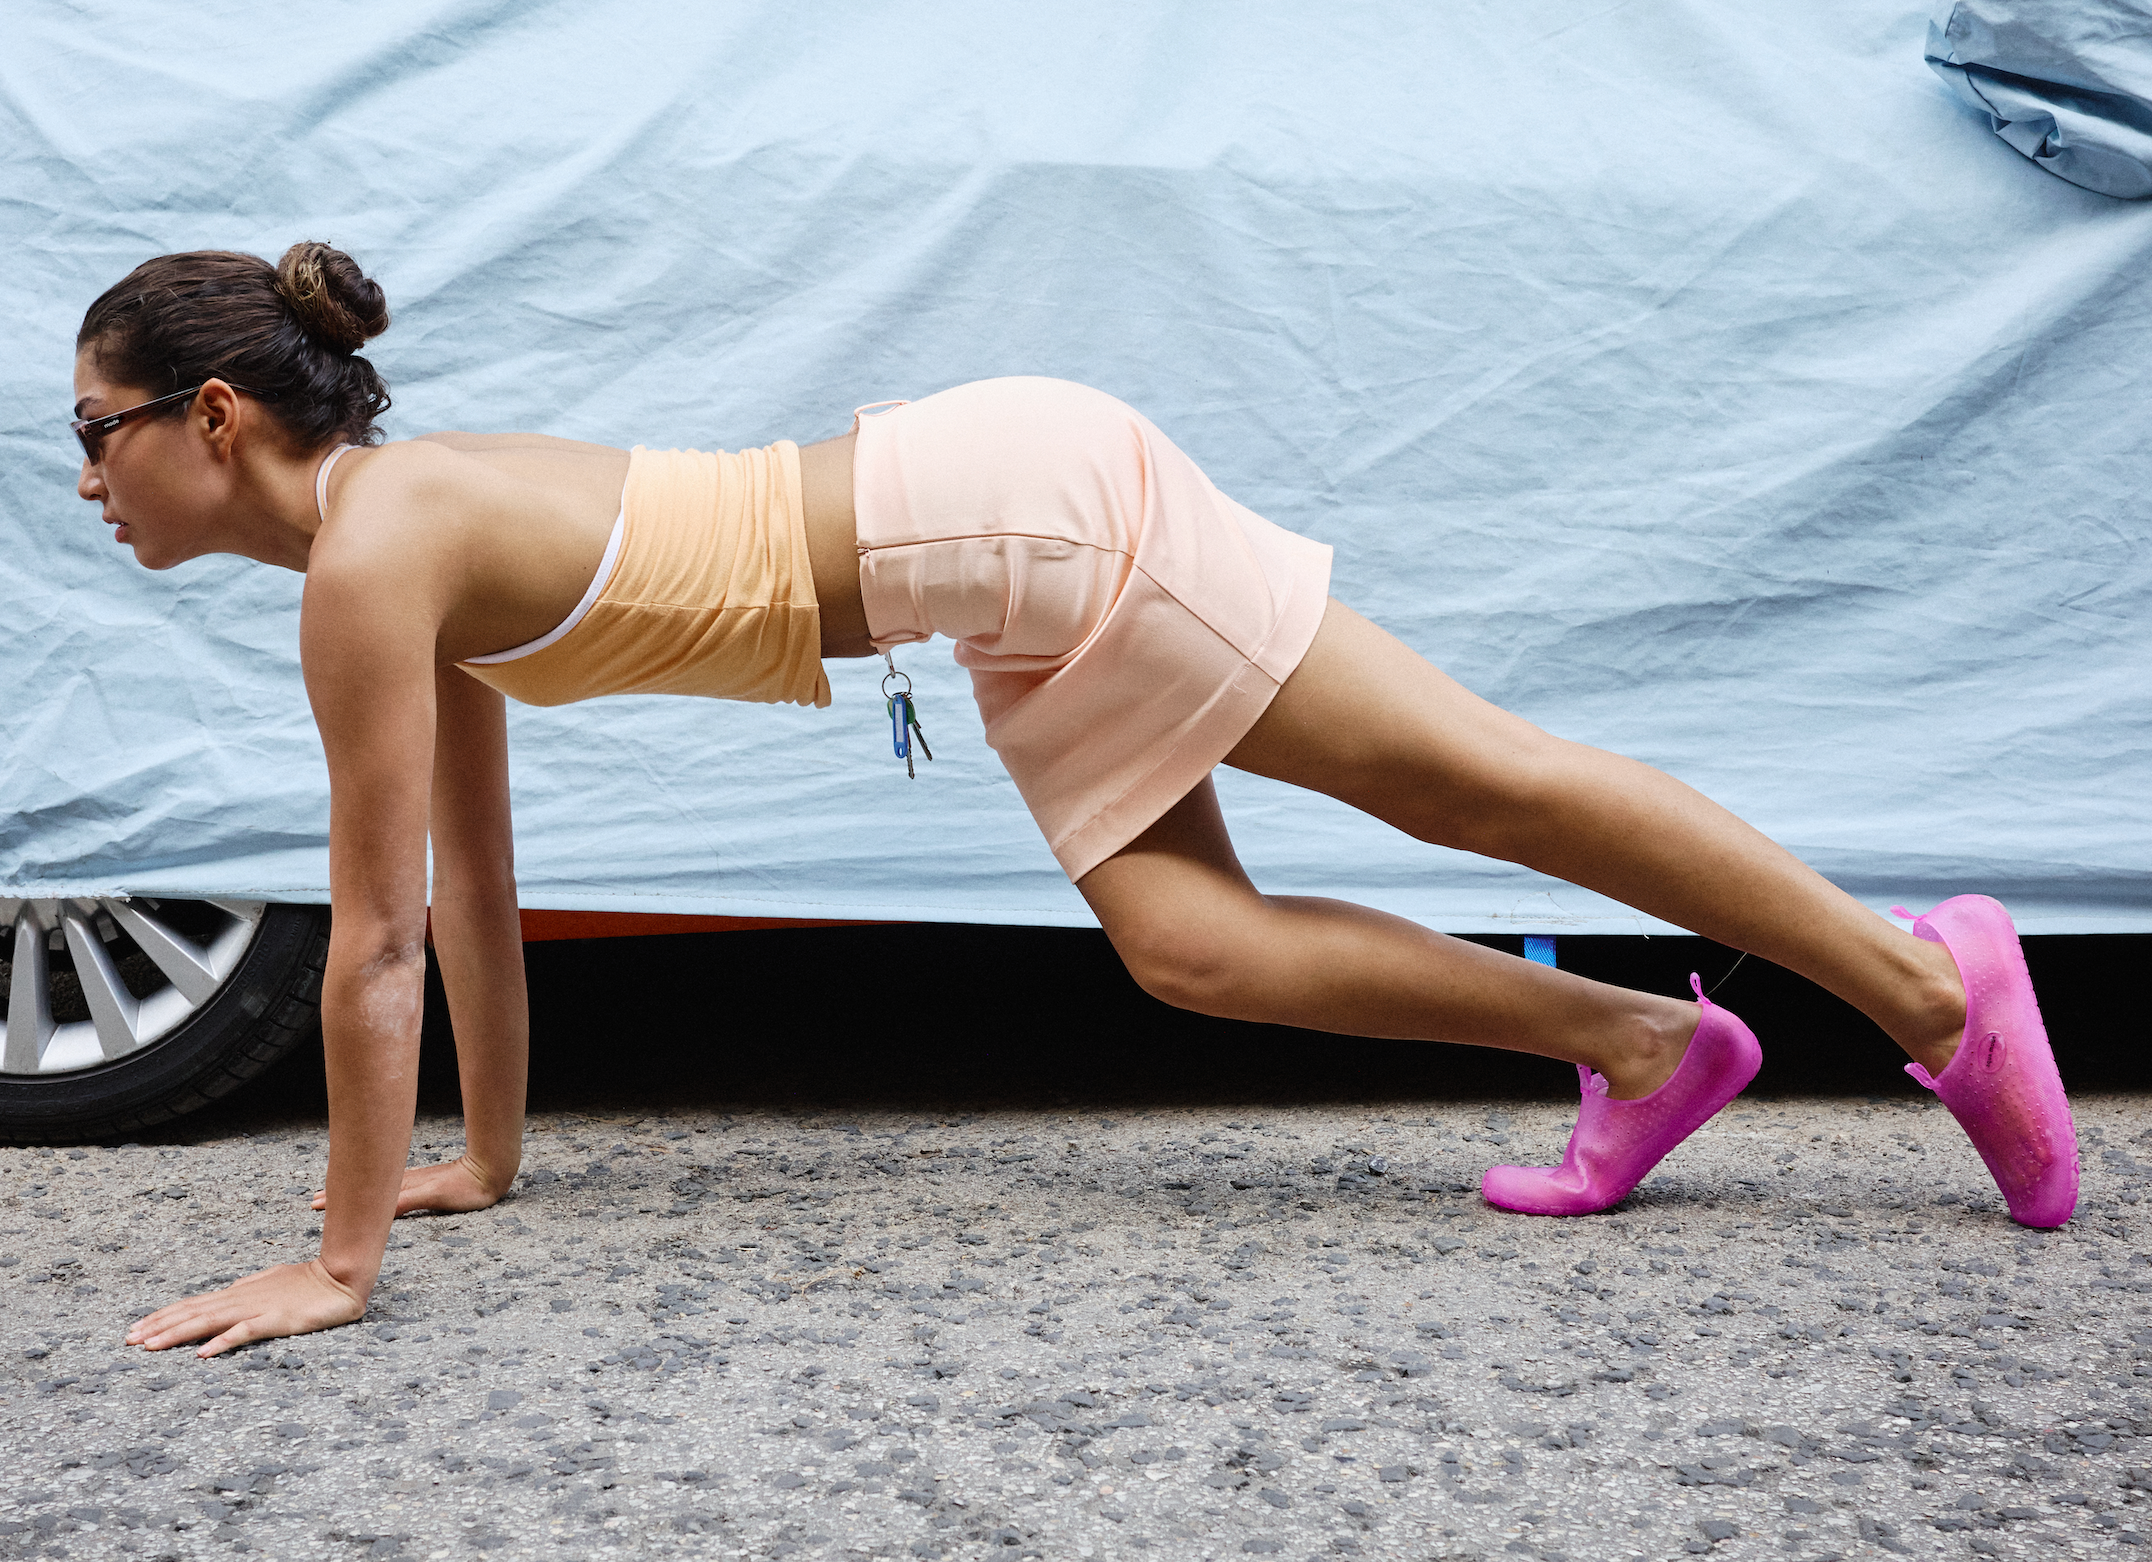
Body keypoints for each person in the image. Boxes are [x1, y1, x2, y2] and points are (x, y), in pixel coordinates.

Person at [69, 244, 2076, 1360]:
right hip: (981, 565)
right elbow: (464, 890)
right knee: (1193, 945)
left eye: (97, 433)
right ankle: (1648, 1041)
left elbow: (370, 944)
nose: (86, 481)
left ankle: (1930, 986)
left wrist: (339, 1268)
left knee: (1472, 779)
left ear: (212, 416)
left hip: (1016, 519)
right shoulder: (398, 539)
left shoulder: (372, 553)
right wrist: (486, 1159)